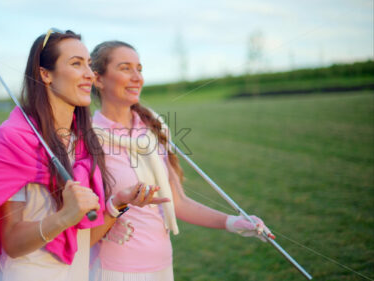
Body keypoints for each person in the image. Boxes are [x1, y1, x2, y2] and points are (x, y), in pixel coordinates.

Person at [0, 30, 165, 281]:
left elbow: (83, 237)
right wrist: (63, 217)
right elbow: (12, 243)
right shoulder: (13, 138)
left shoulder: (84, 141)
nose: (89, 74)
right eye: (76, 64)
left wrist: (117, 204)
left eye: (89, 65)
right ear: (45, 74)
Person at [89, 41, 274, 281]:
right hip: (114, 270)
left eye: (140, 69)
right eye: (125, 68)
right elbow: (82, 218)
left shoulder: (154, 129)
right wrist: (106, 221)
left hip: (163, 266)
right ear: (98, 79)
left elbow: (178, 202)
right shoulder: (86, 138)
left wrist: (234, 222)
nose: (137, 77)